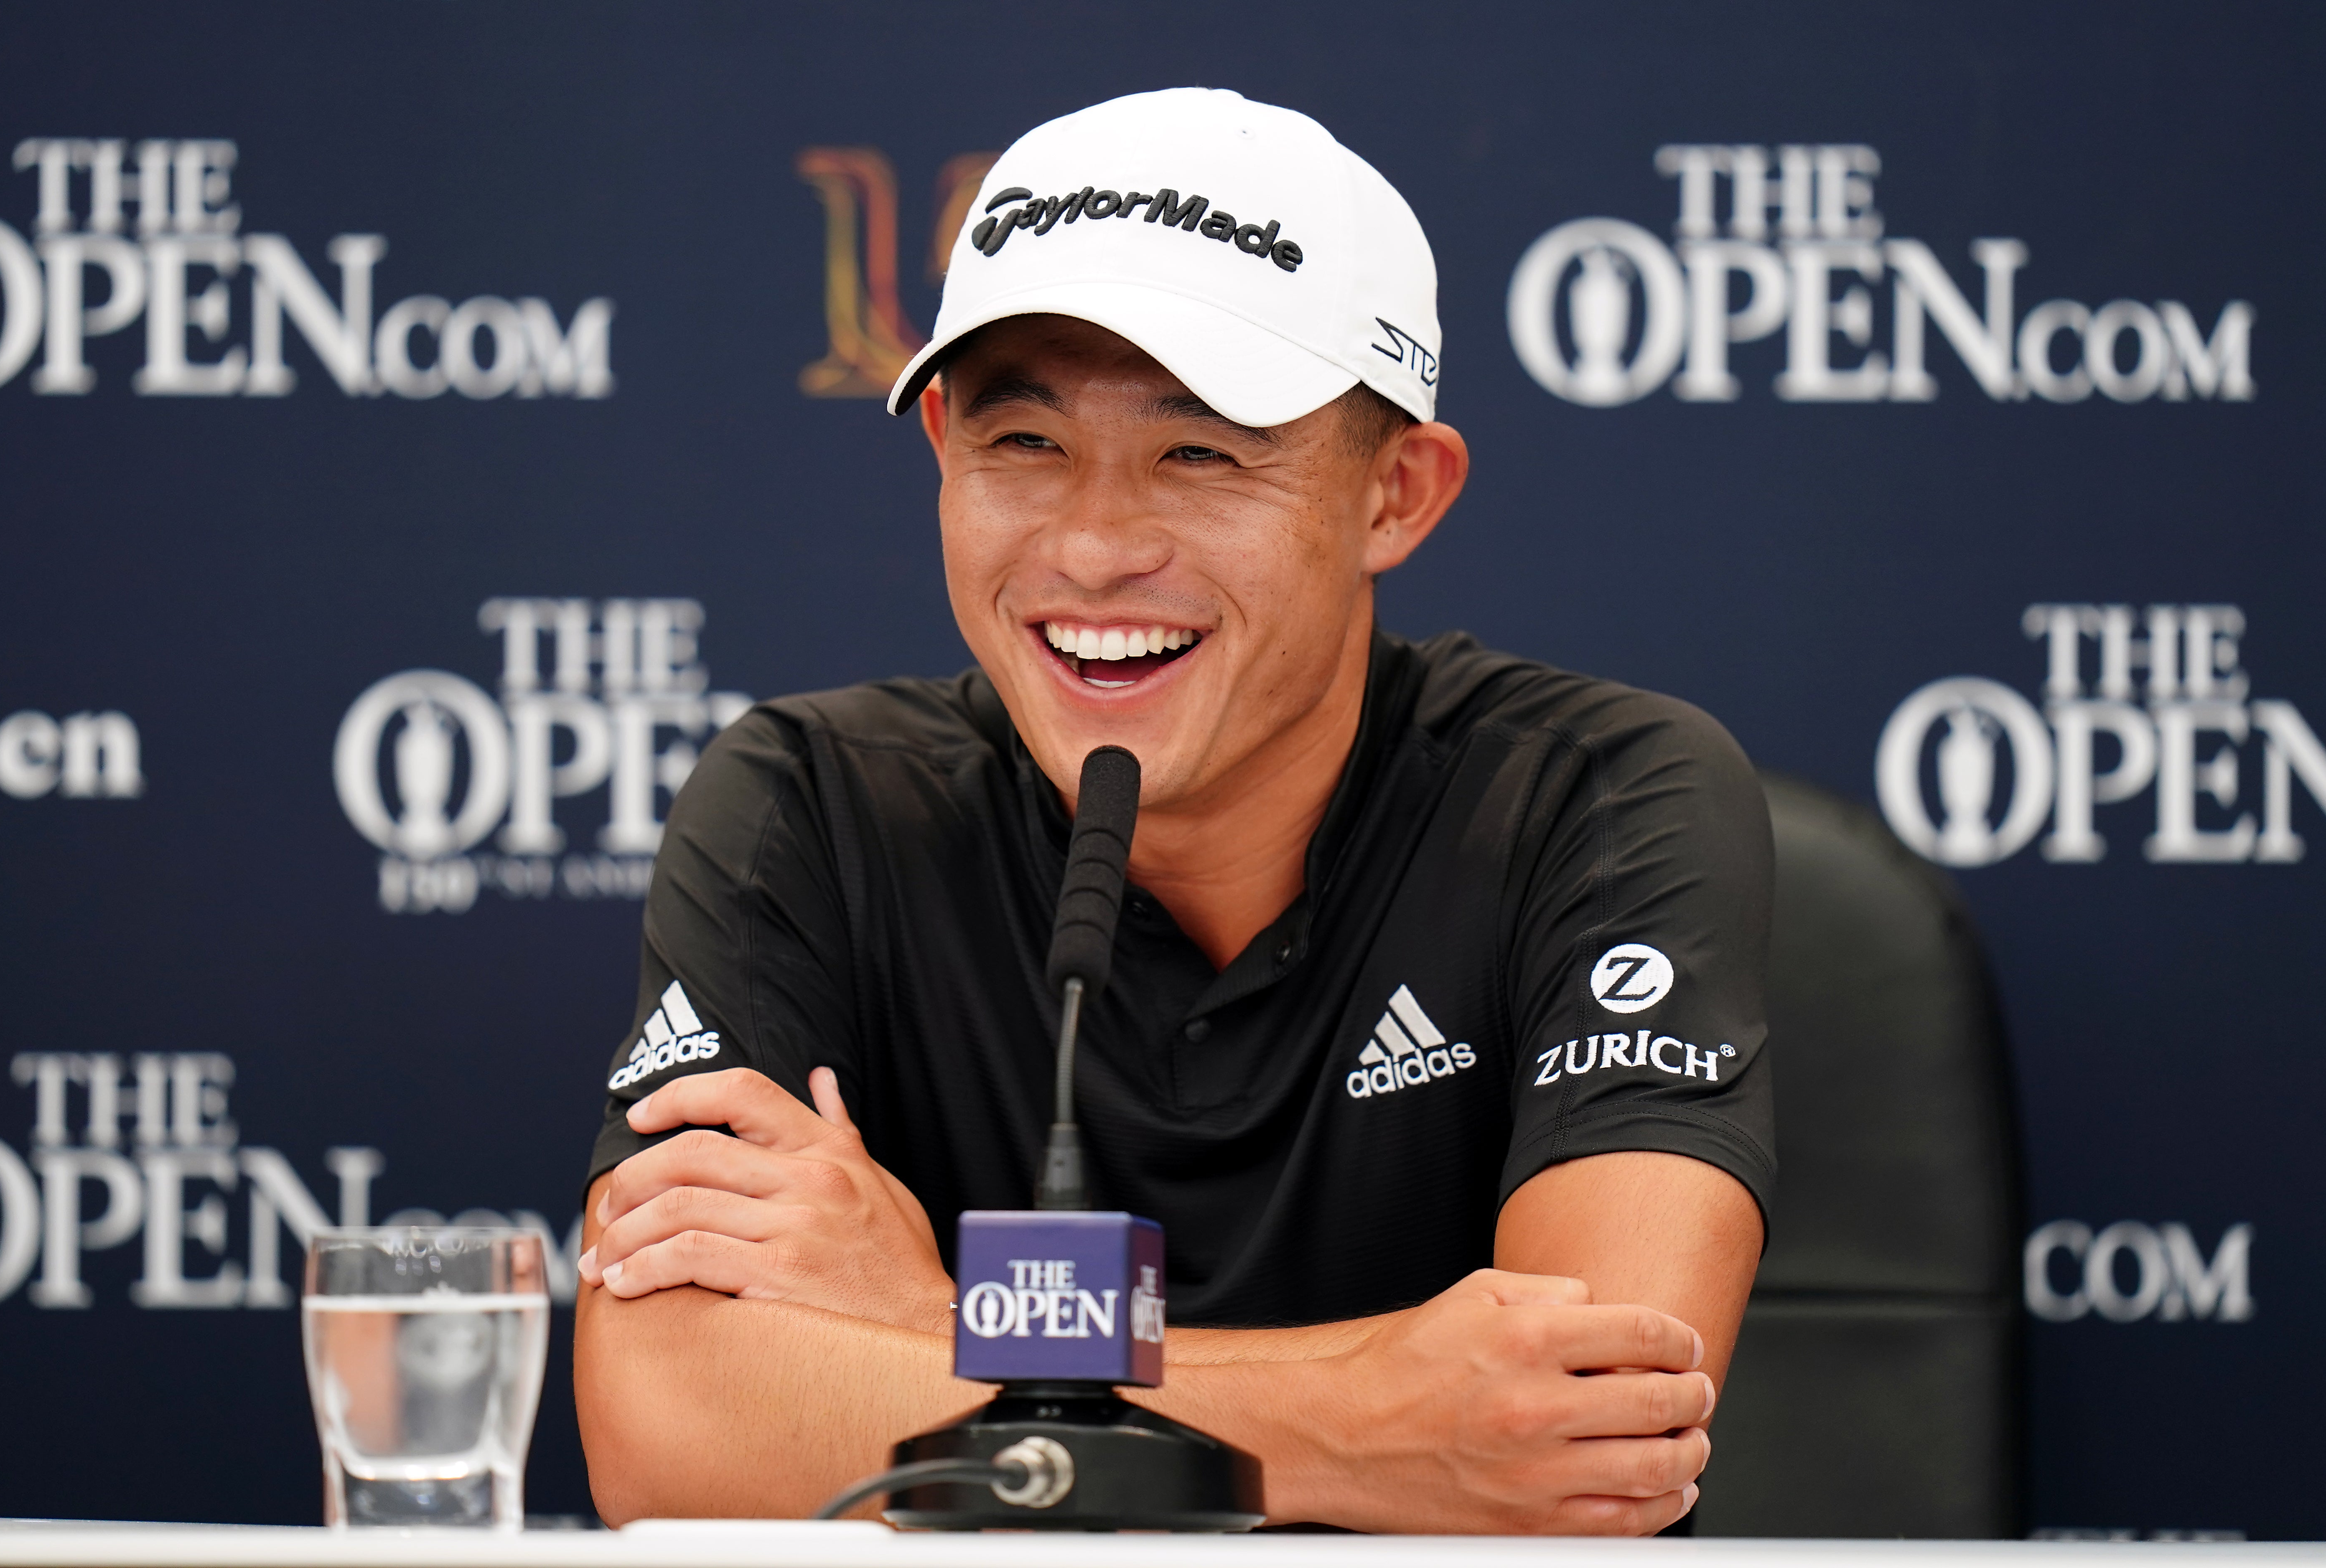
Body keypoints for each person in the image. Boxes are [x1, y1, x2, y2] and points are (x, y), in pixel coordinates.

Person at [572, 87, 1772, 1535]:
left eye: (1201, 455)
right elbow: (666, 1421)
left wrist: (947, 1322)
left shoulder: (1599, 792)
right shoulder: (811, 803)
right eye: (1024, 445)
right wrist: (1375, 1414)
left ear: (1397, 493)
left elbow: (1590, 1419)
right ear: (940, 447)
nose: (1092, 546)